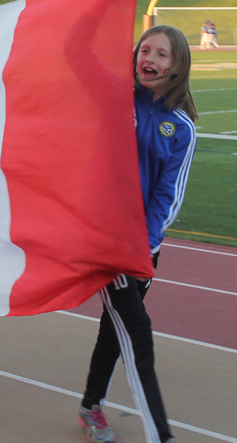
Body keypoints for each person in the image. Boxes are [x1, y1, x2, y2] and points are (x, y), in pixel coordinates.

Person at [78, 24, 197, 443]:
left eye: (161, 54)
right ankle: (160, 435)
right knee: (138, 335)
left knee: (116, 331)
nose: (149, 59)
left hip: (144, 250)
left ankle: (90, 406)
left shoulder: (181, 127)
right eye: (144, 50)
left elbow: (168, 195)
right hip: (107, 244)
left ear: (177, 64)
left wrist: (143, 247)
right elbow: (74, 50)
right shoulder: (114, 98)